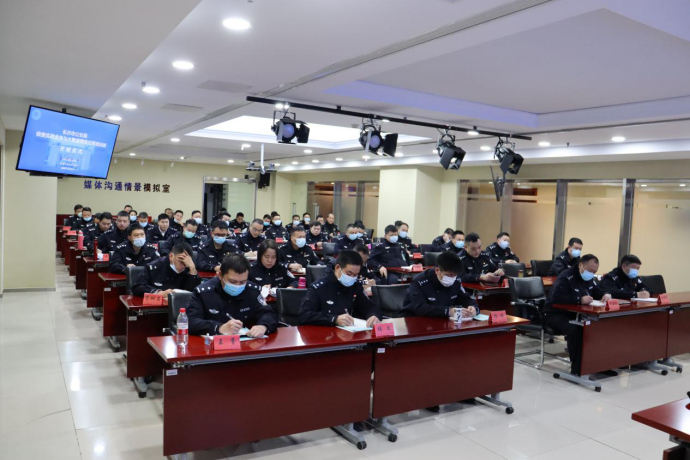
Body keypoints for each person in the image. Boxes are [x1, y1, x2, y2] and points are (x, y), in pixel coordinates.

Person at [544, 254, 612, 376]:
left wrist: (606, 294)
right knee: (577, 329)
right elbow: (556, 298)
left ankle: (599, 365)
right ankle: (578, 369)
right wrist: (579, 299)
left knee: (600, 326)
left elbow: (596, 291)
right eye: (590, 270)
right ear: (581, 265)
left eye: (595, 271)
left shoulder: (588, 278)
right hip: (555, 314)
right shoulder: (566, 276)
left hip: (576, 314)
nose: (592, 273)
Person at [187, 253, 278, 337]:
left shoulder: (252, 290)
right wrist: (219, 328)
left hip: (246, 343)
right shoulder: (203, 293)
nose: (237, 286)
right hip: (211, 345)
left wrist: (263, 326)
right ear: (220, 275)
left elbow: (268, 313)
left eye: (242, 282)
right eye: (232, 281)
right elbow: (190, 321)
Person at [299, 250, 381, 327]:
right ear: (337, 268)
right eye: (349, 273)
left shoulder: (355, 286)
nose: (352, 277)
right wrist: (334, 319)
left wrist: (373, 316)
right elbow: (304, 315)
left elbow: (369, 307)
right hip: (325, 332)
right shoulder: (320, 287)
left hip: (350, 332)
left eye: (355, 275)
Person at [401, 251, 478, 318]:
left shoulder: (456, 280)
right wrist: (448, 311)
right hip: (414, 319)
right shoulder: (419, 281)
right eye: (449, 275)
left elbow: (465, 298)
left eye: (455, 275)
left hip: (442, 319)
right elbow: (420, 308)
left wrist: (473, 307)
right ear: (437, 270)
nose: (452, 278)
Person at [133, 242, 202, 296]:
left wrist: (193, 269)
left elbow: (195, 293)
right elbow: (137, 287)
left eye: (187, 261)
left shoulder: (189, 268)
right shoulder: (154, 267)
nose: (184, 265)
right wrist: (158, 293)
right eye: (181, 260)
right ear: (171, 256)